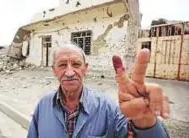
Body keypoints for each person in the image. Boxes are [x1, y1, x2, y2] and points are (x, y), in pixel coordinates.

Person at [27, 43, 170, 138]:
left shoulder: (107, 107)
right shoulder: (43, 106)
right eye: (62, 65)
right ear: (54, 71)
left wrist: (145, 122)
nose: (70, 72)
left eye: (76, 64)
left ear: (85, 69)